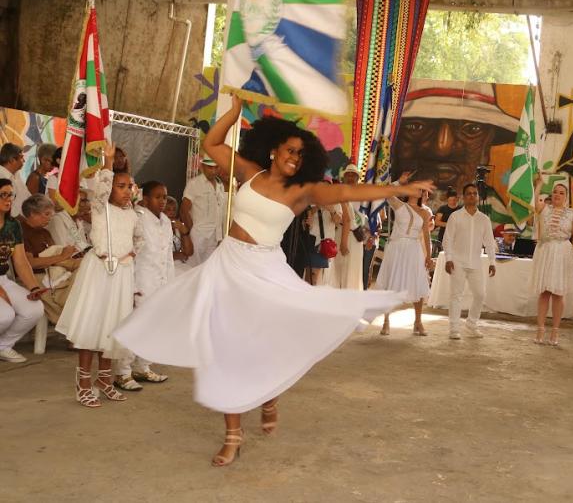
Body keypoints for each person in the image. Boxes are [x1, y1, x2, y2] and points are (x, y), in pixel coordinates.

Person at [114, 97, 430, 467]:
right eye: (290, 150)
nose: (295, 157)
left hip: (265, 270)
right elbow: (212, 145)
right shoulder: (249, 172)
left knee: (265, 340)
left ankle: (269, 393)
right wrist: (232, 115)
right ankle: (233, 434)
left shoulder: (302, 191)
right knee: (223, 347)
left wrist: (395, 189)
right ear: (274, 150)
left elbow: (348, 192)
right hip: (228, 264)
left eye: (301, 153)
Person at [55, 145, 141, 408]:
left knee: (112, 328)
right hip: (100, 273)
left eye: (130, 186)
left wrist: (132, 254)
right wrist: (108, 162)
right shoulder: (100, 207)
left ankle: (104, 380)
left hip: (122, 274)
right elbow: (102, 188)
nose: (127, 191)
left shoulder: (131, 214)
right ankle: (83, 383)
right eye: (121, 186)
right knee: (91, 327)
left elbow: (137, 239)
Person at [113, 181, 174, 391]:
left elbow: (168, 256)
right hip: (140, 280)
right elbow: (131, 252)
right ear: (145, 199)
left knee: (152, 326)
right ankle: (123, 372)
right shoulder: (136, 217)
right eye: (157, 197)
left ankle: (143, 366)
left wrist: (169, 284)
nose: (162, 201)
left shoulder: (165, 221)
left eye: (165, 197)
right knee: (134, 325)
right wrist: (129, 286)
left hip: (159, 281)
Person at [530, 178, 573, 347]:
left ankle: (555, 329)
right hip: (545, 250)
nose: (558, 195)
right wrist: (538, 184)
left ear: (566, 197)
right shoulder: (544, 209)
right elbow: (534, 202)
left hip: (562, 252)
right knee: (544, 291)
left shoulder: (571, 214)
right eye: (555, 192)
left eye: (561, 193)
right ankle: (540, 328)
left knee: (558, 293)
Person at [377, 172, 434, 336]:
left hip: (414, 249)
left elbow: (426, 235)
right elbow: (386, 192)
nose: (418, 191)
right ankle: (386, 321)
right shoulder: (399, 205)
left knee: (418, 282)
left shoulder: (424, 213)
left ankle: (418, 322)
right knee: (390, 283)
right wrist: (399, 182)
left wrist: (428, 256)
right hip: (396, 248)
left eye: (420, 189)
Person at [0, 180, 48, 364]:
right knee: (5, 315)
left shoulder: (13, 225)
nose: (8, 199)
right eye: (2, 194)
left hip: (3, 278)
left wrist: (34, 287)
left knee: (34, 309)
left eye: (10, 194)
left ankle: (3, 346)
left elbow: (20, 260)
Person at [17, 194, 82, 323]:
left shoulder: (44, 232)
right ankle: (70, 322)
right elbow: (30, 263)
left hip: (55, 271)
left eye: (51, 214)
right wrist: (62, 256)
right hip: (36, 275)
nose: (50, 218)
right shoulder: (21, 231)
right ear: (32, 213)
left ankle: (74, 319)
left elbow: (55, 255)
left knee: (86, 270)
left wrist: (67, 255)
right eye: (46, 214)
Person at [443, 183, 496, 340]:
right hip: (457, 262)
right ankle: (454, 329)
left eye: (475, 193)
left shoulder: (484, 219)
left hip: (476, 262)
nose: (472, 196)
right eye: (469, 193)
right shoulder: (455, 216)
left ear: (478, 197)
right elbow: (448, 240)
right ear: (464, 197)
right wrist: (449, 259)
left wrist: (492, 261)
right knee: (456, 295)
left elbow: (490, 242)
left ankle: (471, 323)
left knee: (480, 294)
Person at [181, 157, 225, 266]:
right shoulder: (194, 183)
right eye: (210, 167)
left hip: (215, 235)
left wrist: (220, 235)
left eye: (216, 168)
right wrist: (192, 232)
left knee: (209, 270)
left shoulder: (220, 185)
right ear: (202, 167)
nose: (214, 171)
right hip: (198, 235)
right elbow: (183, 210)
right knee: (192, 268)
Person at [328, 165, 366, 291]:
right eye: (348, 175)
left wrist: (371, 234)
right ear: (344, 177)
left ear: (357, 178)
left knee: (353, 269)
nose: (350, 177)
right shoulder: (340, 193)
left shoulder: (363, 195)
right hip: (340, 232)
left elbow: (370, 216)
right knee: (339, 267)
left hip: (355, 236)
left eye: (353, 175)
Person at [164, 196, 194, 275]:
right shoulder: (157, 228)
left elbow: (189, 252)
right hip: (165, 267)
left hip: (179, 264)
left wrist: (184, 230)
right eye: (168, 209)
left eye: (174, 209)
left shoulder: (178, 227)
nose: (172, 212)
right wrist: (177, 255)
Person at [0, 143, 31, 218]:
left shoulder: (16, 174)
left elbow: (26, 195)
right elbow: (6, 209)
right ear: (12, 160)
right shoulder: (1, 177)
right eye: (21, 157)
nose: (24, 160)